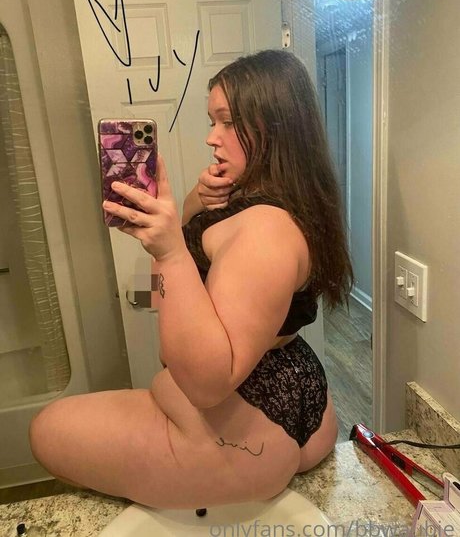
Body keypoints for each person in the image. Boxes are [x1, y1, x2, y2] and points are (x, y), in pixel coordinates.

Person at [29, 49, 353, 510]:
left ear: (274, 126)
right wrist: (195, 204)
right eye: (211, 121)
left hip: (247, 430)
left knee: (47, 429)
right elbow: (177, 287)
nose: (210, 137)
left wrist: (169, 252)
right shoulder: (272, 199)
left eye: (226, 122)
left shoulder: (266, 232)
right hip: (294, 390)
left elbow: (206, 385)